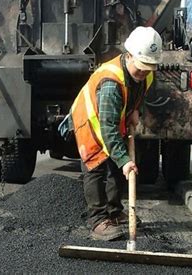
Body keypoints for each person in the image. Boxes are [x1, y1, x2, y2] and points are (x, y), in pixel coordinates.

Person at [59, 26, 163, 241]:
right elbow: (106, 128)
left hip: (114, 118)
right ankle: (97, 220)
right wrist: (125, 160)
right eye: (141, 66)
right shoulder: (111, 82)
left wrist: (136, 110)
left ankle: (114, 212)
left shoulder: (146, 75)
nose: (144, 72)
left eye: (149, 67)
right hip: (90, 121)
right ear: (129, 55)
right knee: (95, 166)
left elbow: (137, 94)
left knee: (117, 168)